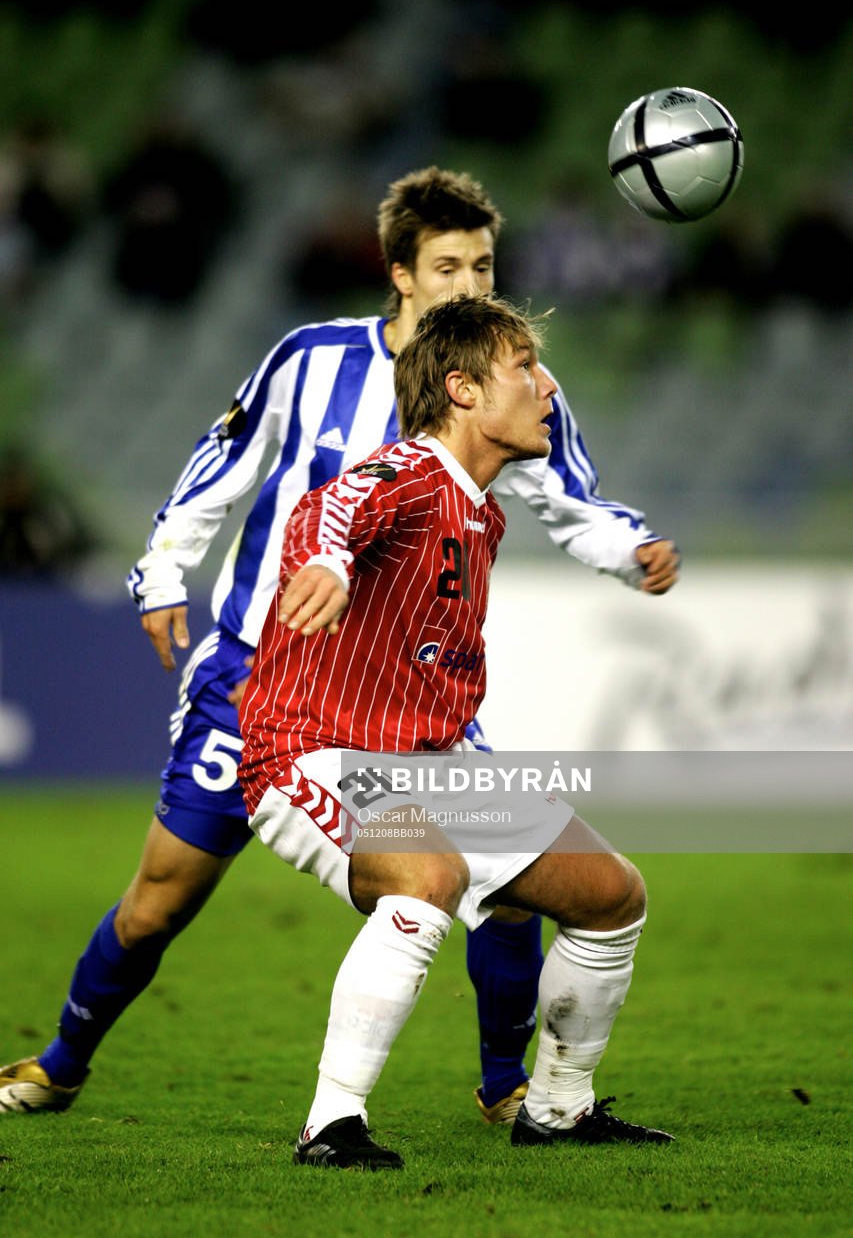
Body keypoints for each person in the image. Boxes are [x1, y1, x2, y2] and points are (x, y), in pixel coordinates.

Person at [0, 167, 678, 1119]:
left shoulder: (511, 391)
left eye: (484, 266)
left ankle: (506, 1086)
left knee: (519, 880)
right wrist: (161, 574)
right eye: (447, 266)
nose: (470, 287)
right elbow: (228, 471)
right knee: (163, 895)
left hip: (404, 698)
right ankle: (62, 1059)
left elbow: (574, 503)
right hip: (262, 672)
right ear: (400, 273)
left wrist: (630, 547)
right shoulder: (312, 360)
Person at [238, 292, 674, 1168]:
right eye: (526, 368)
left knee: (610, 895)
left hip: (422, 765)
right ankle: (331, 1123)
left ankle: (557, 1108)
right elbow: (330, 507)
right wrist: (322, 559)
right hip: (314, 749)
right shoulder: (410, 472)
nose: (548, 387)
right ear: (464, 389)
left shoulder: (479, 507)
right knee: (425, 871)